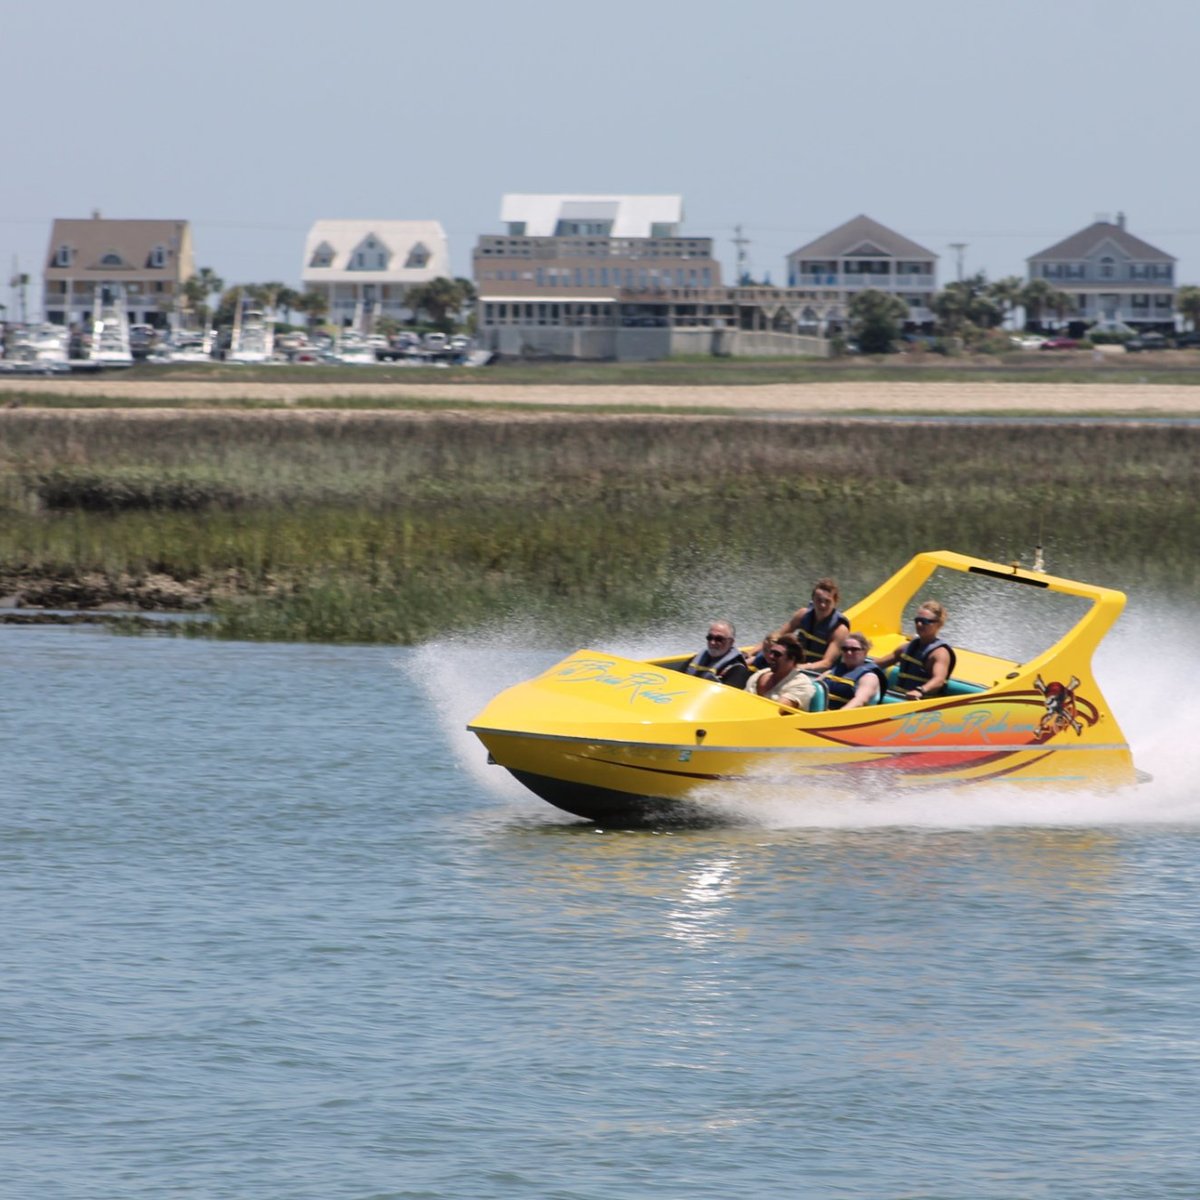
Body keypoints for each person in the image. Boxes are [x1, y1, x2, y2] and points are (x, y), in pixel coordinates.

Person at [874, 600, 956, 700]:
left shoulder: (940, 653)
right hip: (897, 697)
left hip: (921, 704)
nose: (919, 624)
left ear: (938, 624)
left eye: (925, 621)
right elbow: (879, 664)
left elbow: (939, 680)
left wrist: (920, 690)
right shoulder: (906, 648)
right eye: (917, 620)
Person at [777, 577, 850, 670]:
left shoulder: (840, 630)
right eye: (819, 600)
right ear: (813, 599)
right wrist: (754, 652)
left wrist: (799, 667)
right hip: (796, 665)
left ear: (835, 602)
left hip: (817, 673)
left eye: (827, 601)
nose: (822, 605)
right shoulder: (802, 614)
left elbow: (826, 663)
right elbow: (777, 636)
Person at [745, 633, 816, 712]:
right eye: (771, 652)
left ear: (791, 659)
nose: (771, 656)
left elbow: (775, 712)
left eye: (777, 654)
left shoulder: (801, 684)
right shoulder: (760, 674)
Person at [818, 633, 888, 710]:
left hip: (847, 719)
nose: (849, 653)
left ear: (865, 652)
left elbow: (859, 702)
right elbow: (813, 687)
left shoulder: (869, 678)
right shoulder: (831, 672)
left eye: (854, 649)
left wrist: (835, 716)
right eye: (845, 649)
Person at [679, 619, 750, 689]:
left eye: (719, 639)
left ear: (731, 642)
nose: (712, 642)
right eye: (710, 638)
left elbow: (729, 698)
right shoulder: (694, 659)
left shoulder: (737, 670)